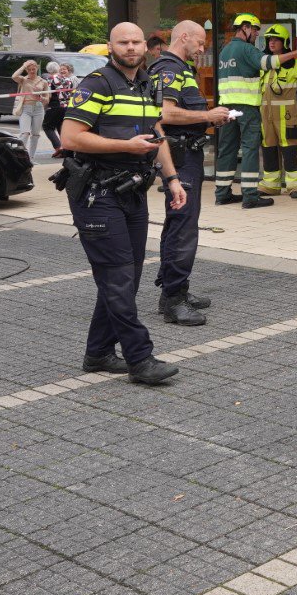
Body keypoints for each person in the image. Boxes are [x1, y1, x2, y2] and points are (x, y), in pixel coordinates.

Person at [59, 22, 186, 386]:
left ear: (145, 45)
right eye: (123, 42)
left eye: (136, 41)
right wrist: (126, 147)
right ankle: (140, 358)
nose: (130, 48)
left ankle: (98, 353)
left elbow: (158, 135)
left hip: (132, 192)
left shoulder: (146, 84)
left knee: (126, 280)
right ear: (111, 46)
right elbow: (71, 137)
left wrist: (172, 178)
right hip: (97, 195)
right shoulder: (97, 84)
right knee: (117, 278)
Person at [151, 20, 231, 327]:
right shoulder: (168, 69)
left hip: (187, 154)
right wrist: (207, 115)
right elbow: (165, 113)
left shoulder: (181, 68)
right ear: (183, 37)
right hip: (180, 157)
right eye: (199, 43)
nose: (202, 49)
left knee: (179, 224)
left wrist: (208, 120)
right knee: (183, 226)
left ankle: (175, 290)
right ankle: (173, 300)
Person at [214, 13, 297, 208]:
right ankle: (250, 196)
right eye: (255, 29)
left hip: (226, 108)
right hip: (247, 107)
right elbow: (270, 63)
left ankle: (222, 193)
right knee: (250, 149)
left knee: (227, 149)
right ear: (245, 27)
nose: (257, 34)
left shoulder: (225, 51)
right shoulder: (246, 49)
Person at [258, 24, 297, 198]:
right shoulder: (263, 62)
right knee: (268, 149)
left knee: (290, 150)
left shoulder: (294, 63)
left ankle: (294, 186)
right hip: (265, 115)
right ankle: (271, 185)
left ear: (284, 42)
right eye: (269, 39)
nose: (272, 42)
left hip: (287, 114)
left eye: (276, 39)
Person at [11, 59, 48, 155]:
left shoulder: (43, 81)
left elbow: (47, 99)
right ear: (27, 70)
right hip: (26, 108)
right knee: (25, 133)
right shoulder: (23, 79)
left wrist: (41, 98)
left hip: (38, 108)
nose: (32, 71)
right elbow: (14, 76)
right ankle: (20, 154)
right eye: (29, 69)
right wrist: (23, 66)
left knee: (35, 135)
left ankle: (31, 157)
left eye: (34, 69)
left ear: (37, 68)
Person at [43, 62, 76, 150]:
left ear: (48, 70)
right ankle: (66, 148)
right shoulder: (67, 79)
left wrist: (44, 104)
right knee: (60, 127)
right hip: (66, 106)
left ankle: (58, 147)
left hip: (54, 105)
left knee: (47, 127)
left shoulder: (50, 78)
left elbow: (48, 94)